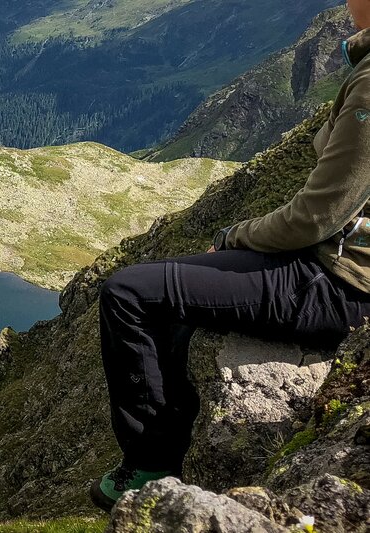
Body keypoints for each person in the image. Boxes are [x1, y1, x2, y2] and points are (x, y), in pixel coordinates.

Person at [89, 0, 370, 512]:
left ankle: (149, 465)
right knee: (176, 288)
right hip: (344, 269)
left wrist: (234, 235)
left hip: (340, 281)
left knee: (128, 293)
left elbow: (316, 216)